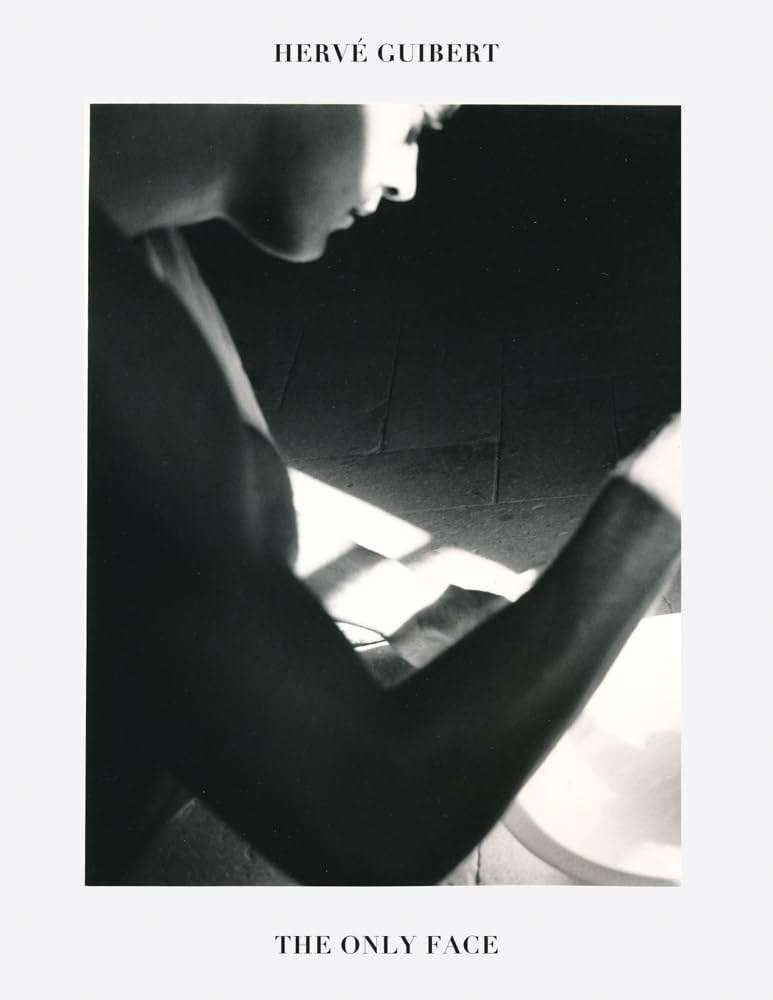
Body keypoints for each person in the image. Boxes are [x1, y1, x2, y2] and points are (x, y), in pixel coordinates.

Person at [86, 104, 681, 885]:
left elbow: (170, 543)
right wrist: (662, 495)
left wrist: (404, 618)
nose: (405, 180)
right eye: (417, 121)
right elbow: (378, 830)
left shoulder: (134, 242)